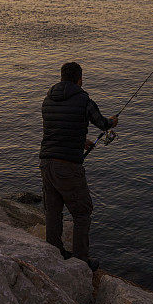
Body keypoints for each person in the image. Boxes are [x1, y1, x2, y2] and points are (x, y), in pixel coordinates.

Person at [39, 61, 118, 271]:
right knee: (82, 212)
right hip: (68, 166)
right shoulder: (84, 100)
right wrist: (112, 122)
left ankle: (53, 252)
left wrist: (81, 141)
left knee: (53, 211)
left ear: (61, 77)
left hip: (46, 163)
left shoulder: (48, 100)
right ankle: (81, 262)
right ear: (79, 79)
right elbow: (101, 123)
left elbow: (57, 129)